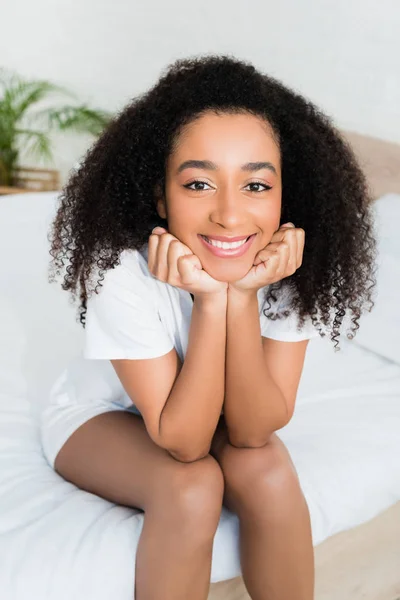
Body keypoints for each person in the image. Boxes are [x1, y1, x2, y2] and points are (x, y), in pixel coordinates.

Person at [41, 54, 377, 600]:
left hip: (209, 410)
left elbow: (253, 430)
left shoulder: (289, 264)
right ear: (160, 196)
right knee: (192, 487)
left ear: (285, 195)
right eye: (199, 185)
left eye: (256, 186)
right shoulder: (119, 269)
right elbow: (185, 443)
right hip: (101, 417)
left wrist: (241, 297)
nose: (228, 214)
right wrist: (211, 303)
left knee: (265, 469)